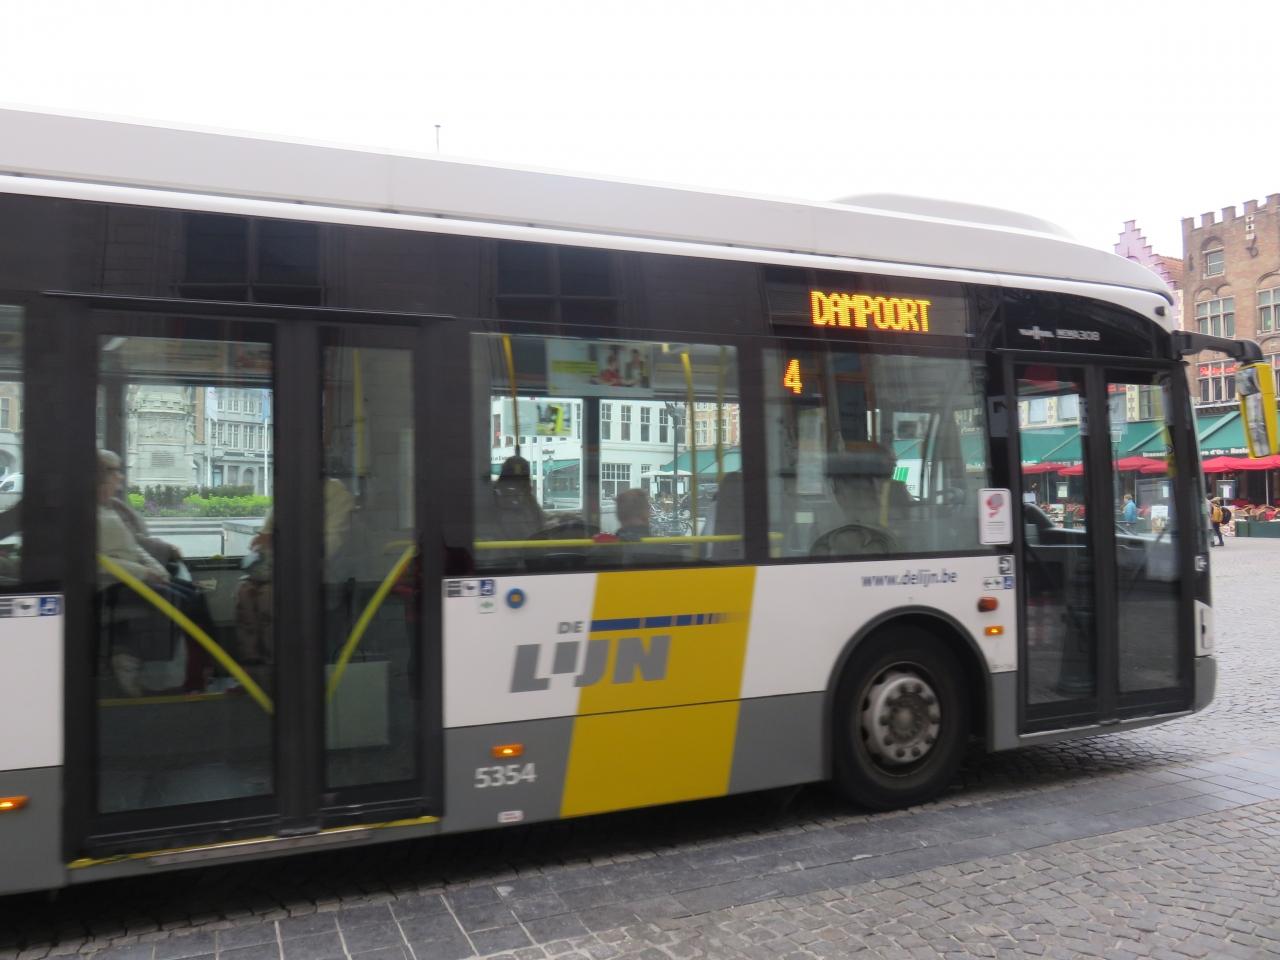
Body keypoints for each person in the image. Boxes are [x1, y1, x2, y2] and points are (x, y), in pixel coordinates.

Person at [97, 450, 215, 695]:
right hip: (112, 585)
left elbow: (134, 545)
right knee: (184, 602)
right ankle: (178, 675)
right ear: (101, 475)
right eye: (115, 471)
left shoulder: (110, 508)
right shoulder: (86, 513)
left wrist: (158, 570)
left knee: (195, 596)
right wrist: (145, 573)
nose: (120, 477)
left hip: (134, 578)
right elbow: (97, 561)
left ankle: (200, 671)